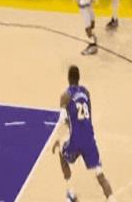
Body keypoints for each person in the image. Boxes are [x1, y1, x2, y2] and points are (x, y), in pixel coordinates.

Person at [52, 66, 117, 202]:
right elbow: (88, 115)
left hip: (75, 139)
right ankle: (112, 198)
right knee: (100, 174)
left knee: (62, 153)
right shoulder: (86, 92)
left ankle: (70, 193)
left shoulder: (65, 96)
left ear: (68, 78)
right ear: (79, 78)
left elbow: (63, 120)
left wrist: (57, 139)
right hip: (89, 138)